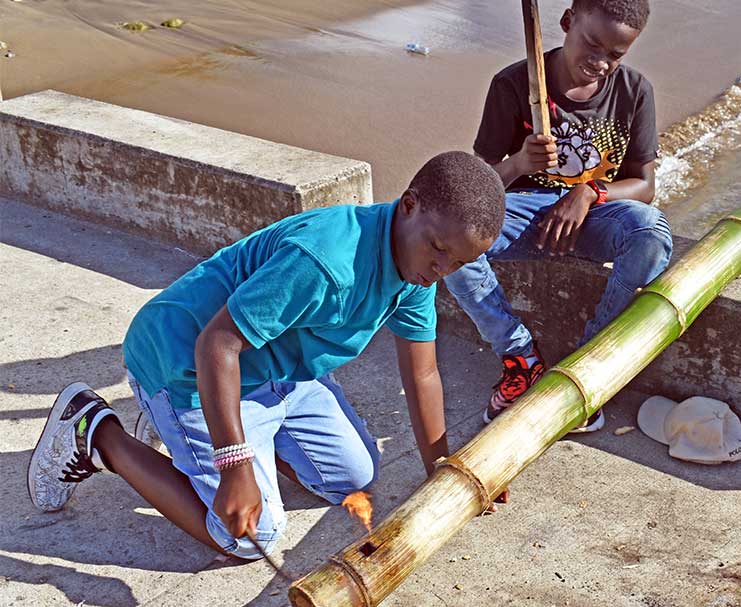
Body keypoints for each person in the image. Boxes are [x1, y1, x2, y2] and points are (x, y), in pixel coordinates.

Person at [27, 152, 506, 559]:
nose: (442, 269)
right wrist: (235, 464)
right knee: (251, 537)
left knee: (354, 477)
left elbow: (422, 375)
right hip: (186, 364)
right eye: (439, 249)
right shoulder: (325, 262)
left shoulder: (416, 270)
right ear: (408, 206)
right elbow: (216, 344)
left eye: (459, 263)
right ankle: (97, 431)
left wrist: (445, 471)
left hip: (276, 373)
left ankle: (194, 438)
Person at [445, 0, 673, 432]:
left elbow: (645, 186)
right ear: (568, 20)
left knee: (651, 232)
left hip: (597, 217)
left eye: (615, 54)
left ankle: (589, 364)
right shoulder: (513, 85)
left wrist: (589, 192)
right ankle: (520, 356)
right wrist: (516, 166)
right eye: (592, 44)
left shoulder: (634, 92)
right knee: (449, 237)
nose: (601, 62)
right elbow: (477, 184)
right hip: (525, 214)